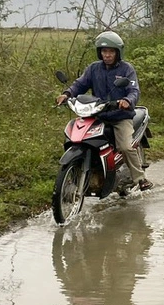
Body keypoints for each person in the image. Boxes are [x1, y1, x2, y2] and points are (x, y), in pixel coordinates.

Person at [55, 30, 153, 191]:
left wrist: (127, 101)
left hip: (120, 117)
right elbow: (80, 84)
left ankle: (141, 179)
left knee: (126, 147)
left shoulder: (127, 69)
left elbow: (134, 90)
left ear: (118, 52)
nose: (107, 55)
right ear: (100, 52)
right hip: (97, 115)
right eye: (104, 51)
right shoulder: (94, 68)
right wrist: (67, 94)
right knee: (76, 137)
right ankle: (78, 171)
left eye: (111, 51)